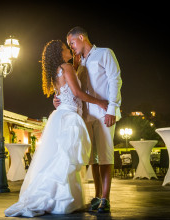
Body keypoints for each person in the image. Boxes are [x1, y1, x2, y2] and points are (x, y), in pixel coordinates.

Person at [4, 40, 108, 217]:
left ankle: (56, 199)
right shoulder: (66, 68)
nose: (69, 50)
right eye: (65, 48)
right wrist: (100, 102)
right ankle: (62, 200)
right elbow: (77, 93)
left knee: (60, 159)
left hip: (60, 116)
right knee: (66, 160)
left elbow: (61, 94)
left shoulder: (57, 71)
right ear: (60, 53)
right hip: (69, 118)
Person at [56, 26, 122, 213]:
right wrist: (58, 98)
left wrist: (111, 110)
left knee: (105, 155)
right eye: (69, 44)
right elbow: (75, 90)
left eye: (72, 43)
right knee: (92, 158)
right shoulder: (79, 63)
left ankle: (106, 199)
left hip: (103, 113)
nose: (71, 46)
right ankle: (97, 195)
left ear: (82, 37)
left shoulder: (105, 53)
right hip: (85, 116)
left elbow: (115, 81)